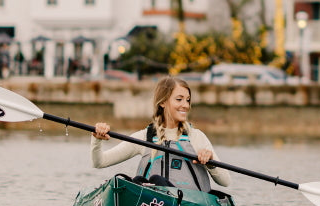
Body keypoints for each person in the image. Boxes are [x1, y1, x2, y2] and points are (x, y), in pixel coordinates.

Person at [92, 75, 231, 190]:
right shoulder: (144, 137)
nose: (185, 105)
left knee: (156, 180)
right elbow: (100, 162)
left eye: (188, 100)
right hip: (151, 205)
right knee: (135, 180)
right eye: (179, 99)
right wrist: (97, 139)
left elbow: (225, 181)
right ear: (163, 102)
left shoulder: (196, 137)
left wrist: (210, 162)